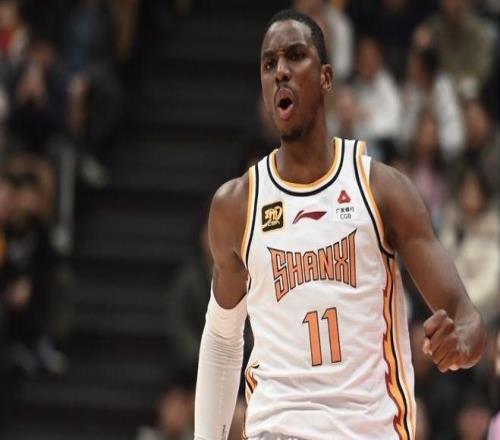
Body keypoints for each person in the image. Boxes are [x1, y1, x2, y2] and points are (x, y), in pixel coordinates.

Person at [194, 10, 486, 440]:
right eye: (269, 64)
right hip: (279, 429)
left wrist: (459, 344)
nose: (281, 71)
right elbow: (222, 341)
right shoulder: (237, 205)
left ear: (326, 77)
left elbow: (466, 318)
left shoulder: (381, 189)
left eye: (296, 56)